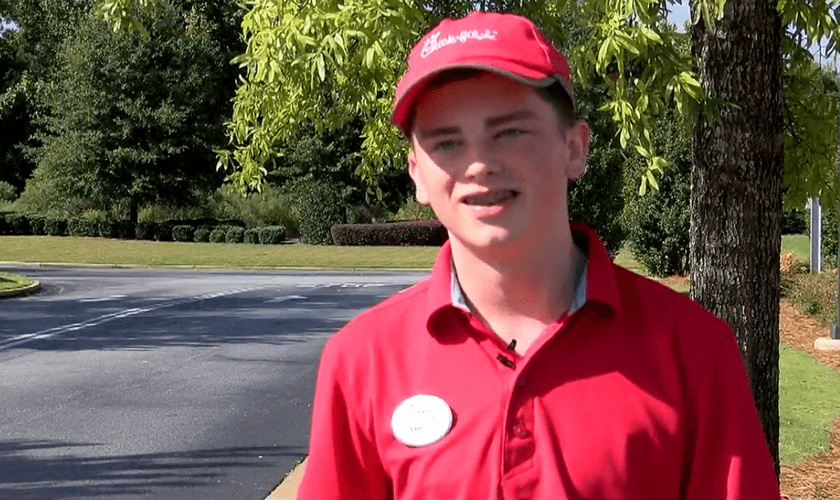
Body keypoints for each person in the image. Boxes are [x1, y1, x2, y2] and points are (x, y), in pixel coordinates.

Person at [296, 11, 781, 500]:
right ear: (417, 173)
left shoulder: (693, 351)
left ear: (574, 147)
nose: (479, 164)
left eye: (509, 132)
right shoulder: (362, 361)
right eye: (446, 142)